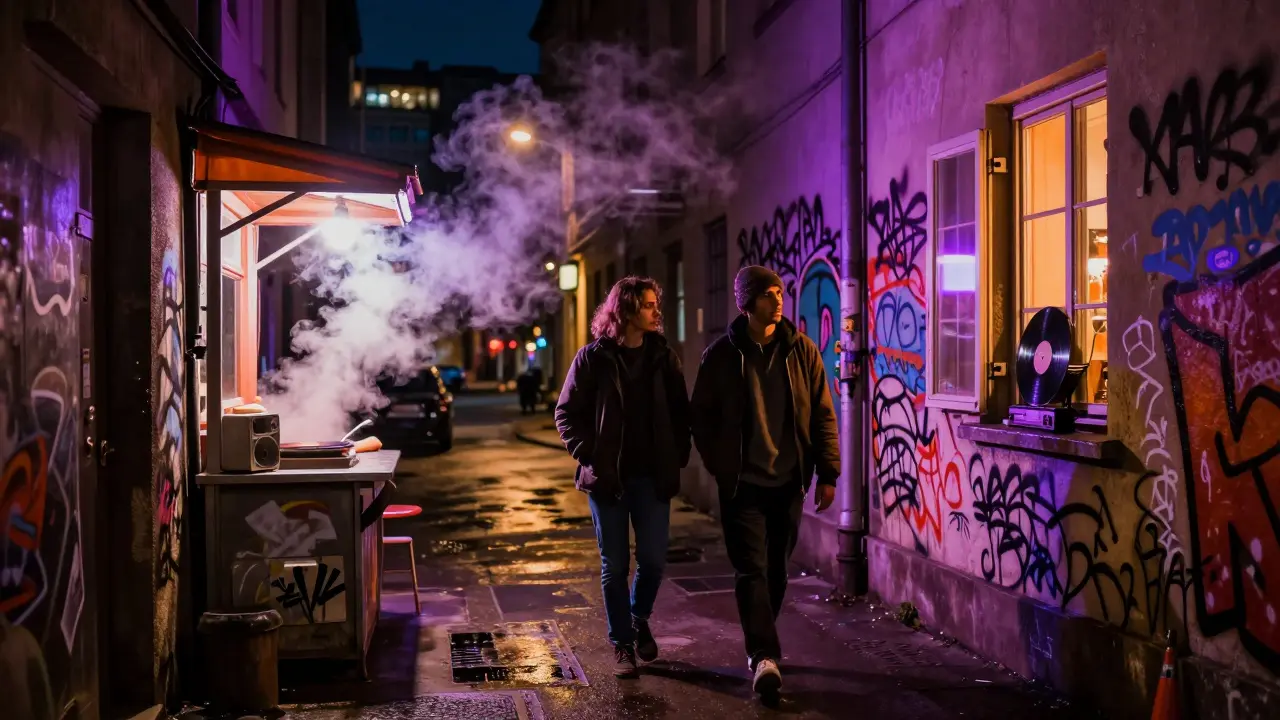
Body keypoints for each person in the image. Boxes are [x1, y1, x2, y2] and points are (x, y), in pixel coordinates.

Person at [690, 265, 839, 700]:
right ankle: (764, 654)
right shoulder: (720, 356)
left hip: (788, 481)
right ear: (746, 302)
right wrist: (721, 466)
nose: (778, 299)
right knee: (751, 569)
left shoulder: (802, 351)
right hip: (743, 485)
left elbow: (823, 415)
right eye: (768, 293)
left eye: (779, 291)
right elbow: (701, 418)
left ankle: (760, 643)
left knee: (776, 571)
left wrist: (827, 473)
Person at [554, 276, 692, 678]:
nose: (656, 311)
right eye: (648, 305)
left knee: (652, 561)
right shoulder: (593, 358)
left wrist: (678, 455)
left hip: (652, 478)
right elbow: (565, 413)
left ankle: (638, 617)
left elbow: (681, 412)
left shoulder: (664, 357)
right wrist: (588, 456)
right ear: (627, 309)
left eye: (655, 304)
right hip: (608, 481)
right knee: (614, 566)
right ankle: (622, 644)